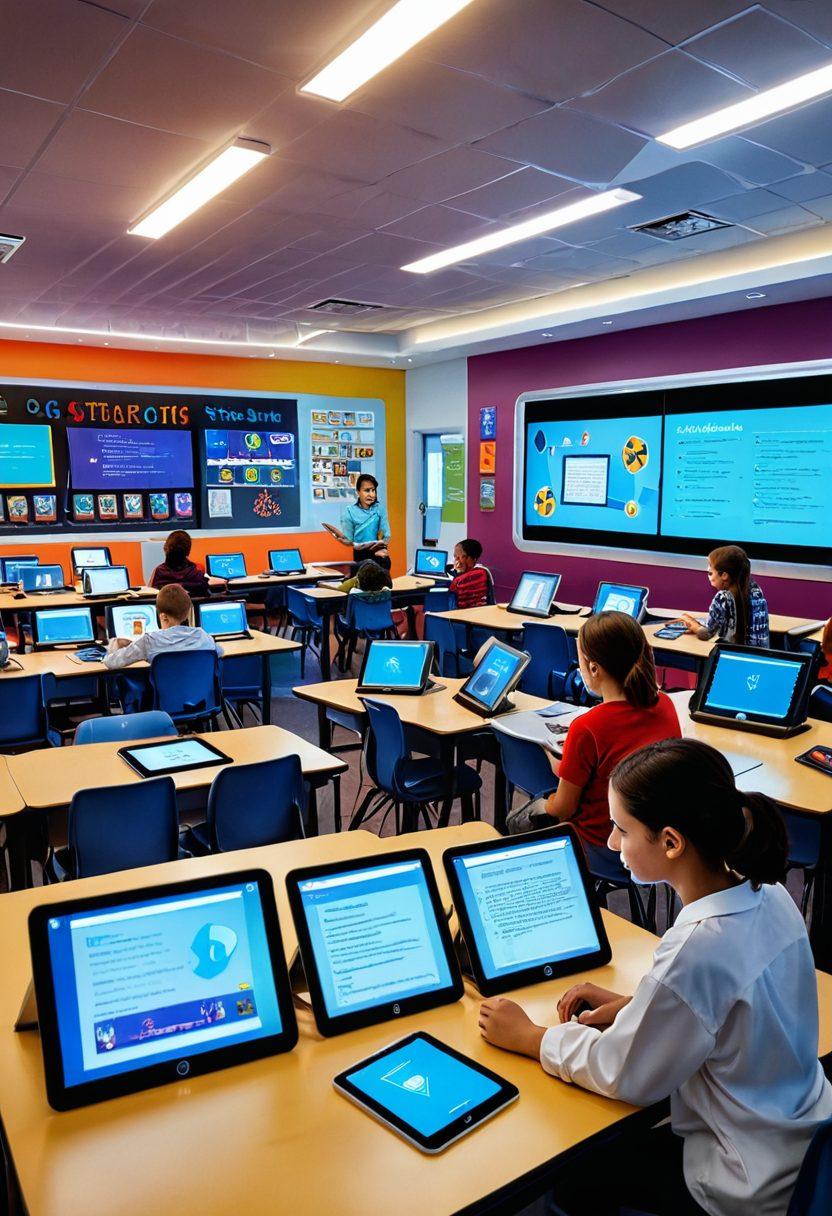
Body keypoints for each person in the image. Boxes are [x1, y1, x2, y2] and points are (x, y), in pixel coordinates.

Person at [479, 738, 832, 1216]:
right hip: (797, 1139)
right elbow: (735, 1009)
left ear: (670, 841)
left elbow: (623, 1073)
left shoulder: (699, 948)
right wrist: (638, 1003)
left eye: (623, 830)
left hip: (741, 1181)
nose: (609, 842)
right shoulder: (770, 893)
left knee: (576, 1176)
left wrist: (531, 1036)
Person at [506, 611, 681, 871]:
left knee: (517, 820)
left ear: (594, 669)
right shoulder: (665, 704)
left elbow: (563, 808)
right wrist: (568, 767)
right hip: (655, 842)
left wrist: (553, 763)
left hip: (603, 845)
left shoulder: (588, 727)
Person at [104, 583, 221, 673]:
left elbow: (111, 663)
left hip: (165, 702)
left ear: (163, 616)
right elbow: (220, 652)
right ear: (187, 613)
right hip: (201, 701)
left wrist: (114, 644)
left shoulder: (149, 641)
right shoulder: (202, 636)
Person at [681, 544, 769, 647]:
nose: (708, 575)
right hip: (759, 657)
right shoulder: (756, 590)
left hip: (730, 657)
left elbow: (706, 634)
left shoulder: (722, 597)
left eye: (710, 573)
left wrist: (694, 626)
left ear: (724, 575)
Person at [327, 474, 391, 571]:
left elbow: (386, 534)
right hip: (361, 557)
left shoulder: (380, 510)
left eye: (373, 490)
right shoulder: (350, 511)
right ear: (358, 492)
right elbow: (348, 539)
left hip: (379, 555)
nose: (371, 494)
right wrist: (341, 538)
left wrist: (382, 547)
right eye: (367, 491)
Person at [149, 530, 209, 598]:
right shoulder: (198, 576)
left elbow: (150, 594)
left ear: (165, 549)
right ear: (188, 552)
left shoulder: (158, 572)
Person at [448, 538, 491, 609]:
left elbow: (451, 598)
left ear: (473, 558)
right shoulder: (485, 572)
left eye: (463, 557)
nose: (456, 560)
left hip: (459, 615)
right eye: (455, 556)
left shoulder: (458, 580)